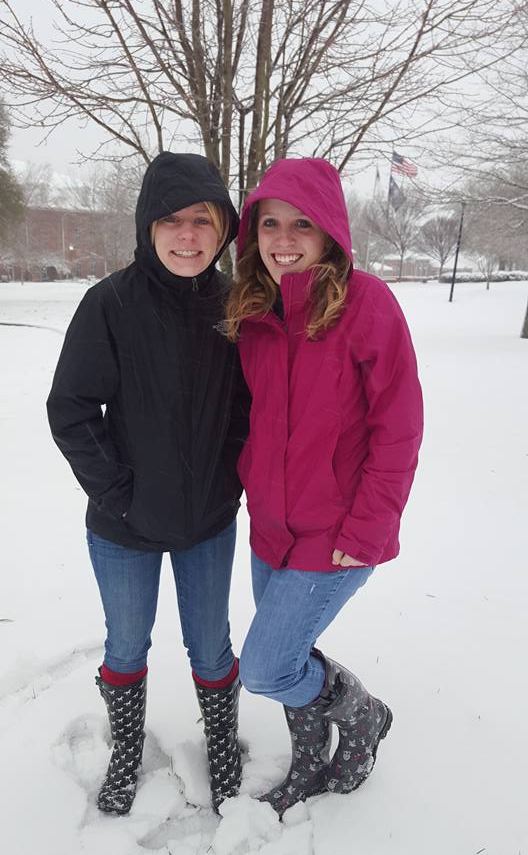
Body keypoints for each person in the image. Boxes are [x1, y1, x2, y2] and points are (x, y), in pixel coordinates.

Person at [47, 152, 249, 815]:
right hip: (123, 527)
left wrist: (230, 483)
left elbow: (252, 410)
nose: (186, 235)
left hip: (208, 522)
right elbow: (71, 409)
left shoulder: (235, 308)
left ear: (222, 229)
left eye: (202, 220)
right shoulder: (110, 304)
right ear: (147, 225)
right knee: (127, 643)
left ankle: (223, 747)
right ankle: (127, 749)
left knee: (211, 644)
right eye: (171, 220)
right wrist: (121, 494)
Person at [224, 157, 423, 817]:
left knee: (266, 667)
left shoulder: (367, 304)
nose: (284, 240)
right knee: (288, 657)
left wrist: (368, 529)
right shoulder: (254, 311)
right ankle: (310, 759)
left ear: (330, 231)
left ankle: (364, 718)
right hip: (271, 528)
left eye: (301, 224)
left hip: (338, 535)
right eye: (270, 224)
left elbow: (399, 426)